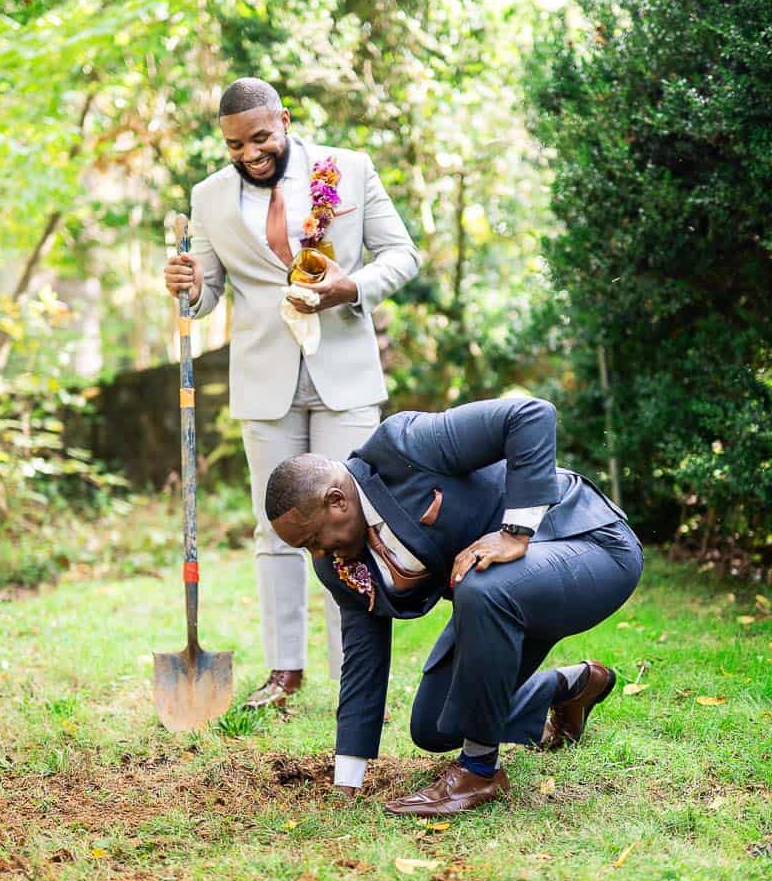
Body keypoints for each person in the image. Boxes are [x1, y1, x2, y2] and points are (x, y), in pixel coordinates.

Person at [163, 78, 419, 708]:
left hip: (345, 378)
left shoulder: (349, 171)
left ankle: (351, 670)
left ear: (283, 119)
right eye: (233, 144)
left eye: (260, 138)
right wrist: (186, 287)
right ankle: (283, 672)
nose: (249, 154)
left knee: (350, 525)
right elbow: (209, 294)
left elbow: (402, 254)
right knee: (274, 527)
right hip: (264, 382)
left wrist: (349, 287)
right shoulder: (209, 197)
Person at [265, 396, 643, 815]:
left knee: (480, 585)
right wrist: (346, 782)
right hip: (504, 600)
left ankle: (480, 772)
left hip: (587, 544)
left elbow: (530, 416)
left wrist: (515, 532)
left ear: (337, 501)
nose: (317, 554)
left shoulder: (403, 447)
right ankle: (569, 688)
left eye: (314, 539)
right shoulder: (340, 566)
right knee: (435, 727)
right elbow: (363, 662)